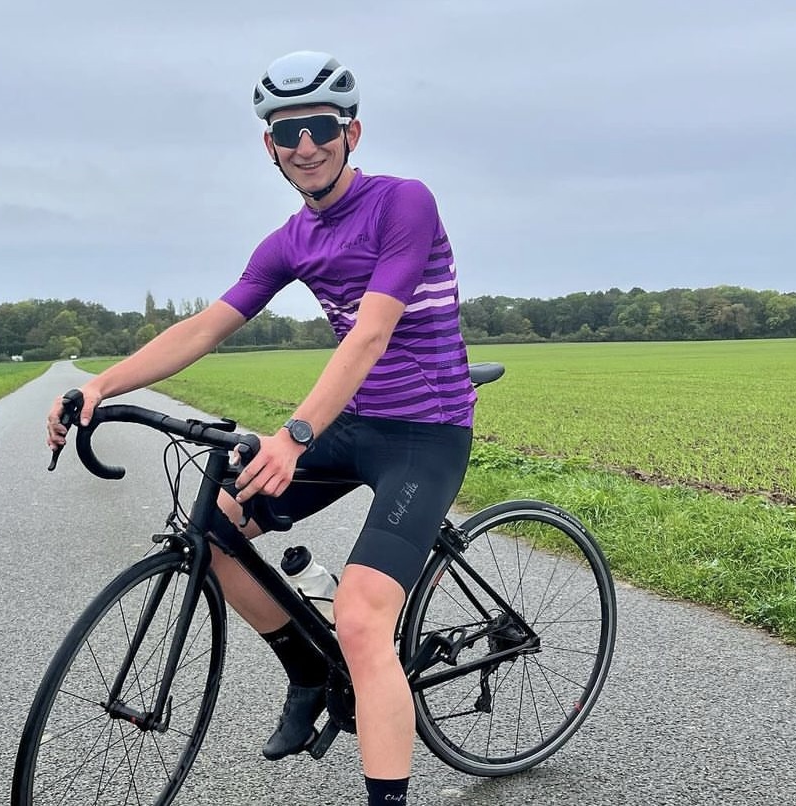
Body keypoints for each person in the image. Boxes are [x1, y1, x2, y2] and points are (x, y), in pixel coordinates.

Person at [46, 50, 475, 806]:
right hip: (353, 423)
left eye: (319, 127)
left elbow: (370, 335)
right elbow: (206, 327)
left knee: (362, 621)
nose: (305, 145)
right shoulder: (289, 241)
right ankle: (307, 671)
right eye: (288, 133)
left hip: (425, 430)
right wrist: (100, 385)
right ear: (268, 147)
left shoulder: (404, 202)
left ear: (352, 132)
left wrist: (294, 435)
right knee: (209, 527)